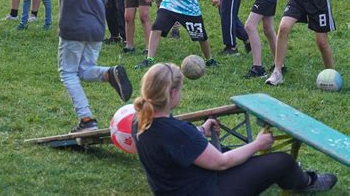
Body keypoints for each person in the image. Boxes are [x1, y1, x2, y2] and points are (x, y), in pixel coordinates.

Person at [132, 62, 338, 195]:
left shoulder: (139, 120)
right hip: (206, 190)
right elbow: (221, 163)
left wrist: (200, 132)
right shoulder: (177, 131)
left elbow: (170, 146)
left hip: (175, 187)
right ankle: (308, 181)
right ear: (173, 92)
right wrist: (258, 145)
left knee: (232, 152)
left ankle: (285, 175)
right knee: (282, 161)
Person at [46, 0, 133, 133]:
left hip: (74, 26)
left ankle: (86, 120)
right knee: (84, 70)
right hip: (96, 27)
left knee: (67, 73)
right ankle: (109, 73)